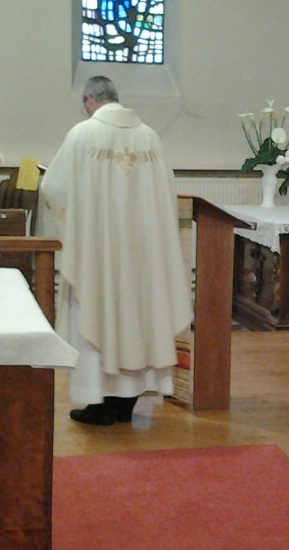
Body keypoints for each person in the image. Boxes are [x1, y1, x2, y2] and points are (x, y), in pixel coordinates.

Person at [40, 75, 191, 426]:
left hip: (99, 254)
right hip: (143, 256)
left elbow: (54, 188)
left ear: (89, 99)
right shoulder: (150, 137)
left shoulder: (82, 135)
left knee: (99, 311)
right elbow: (165, 196)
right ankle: (126, 404)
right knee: (139, 317)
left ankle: (99, 403)